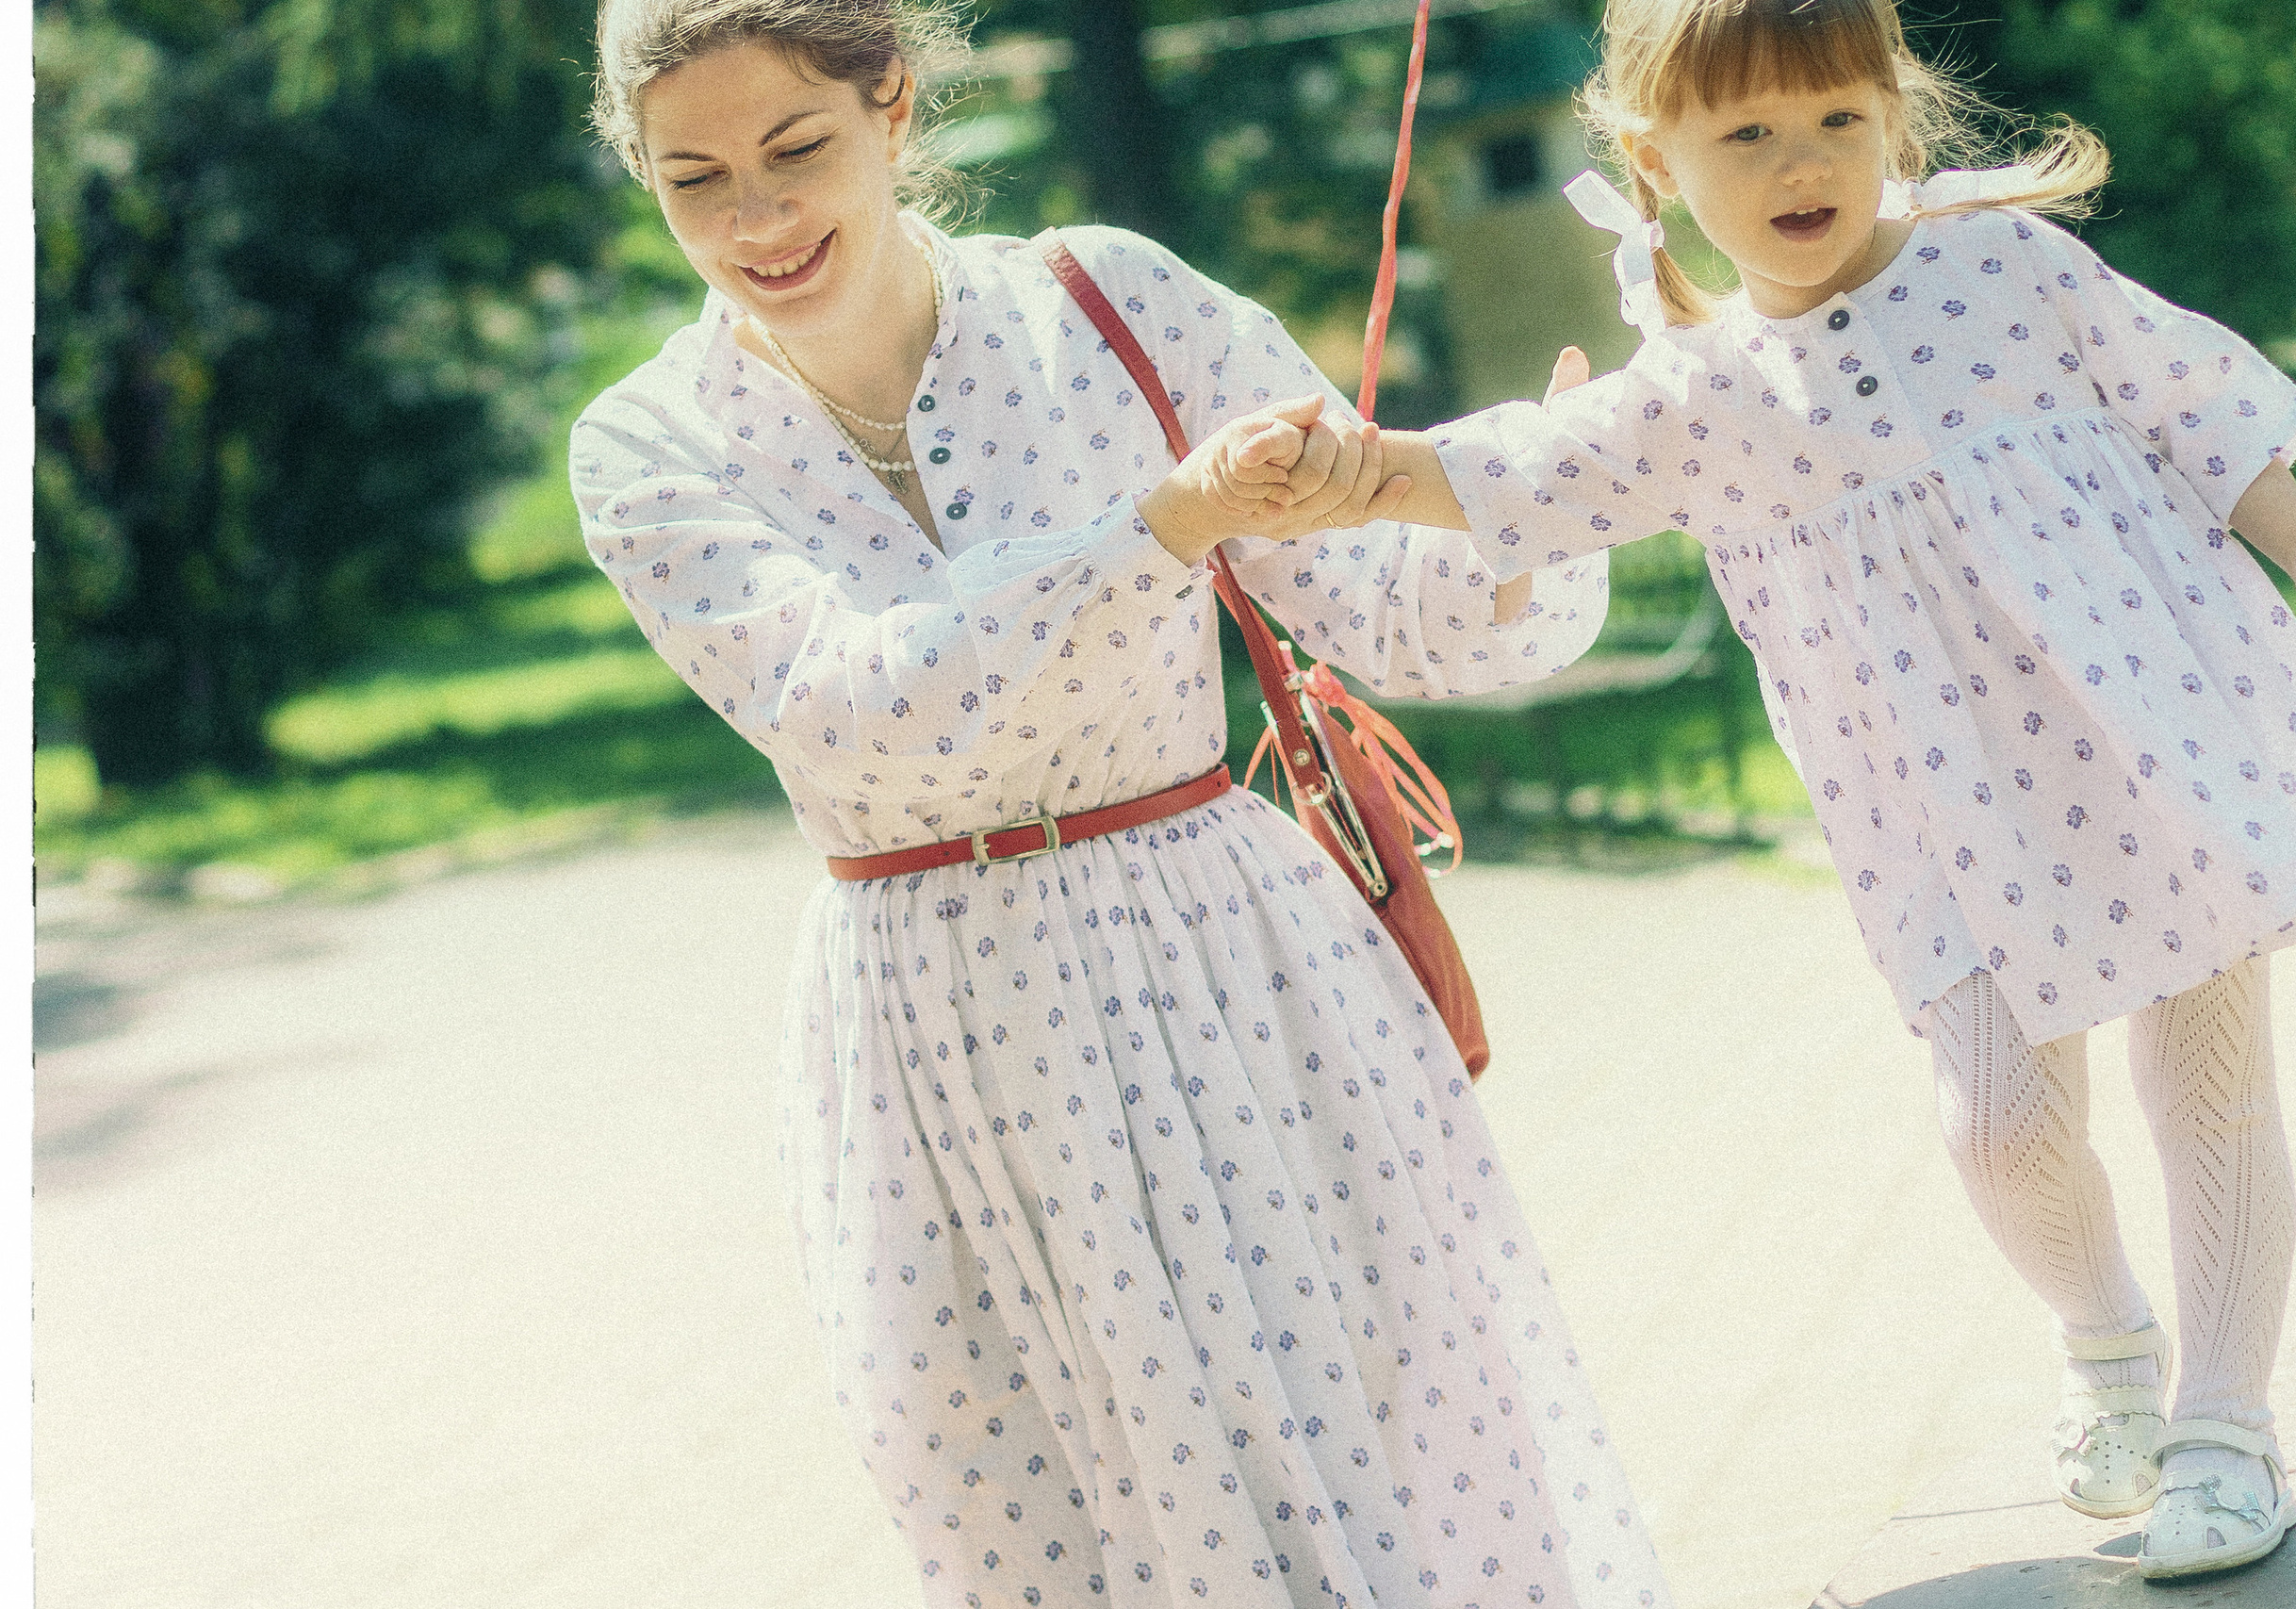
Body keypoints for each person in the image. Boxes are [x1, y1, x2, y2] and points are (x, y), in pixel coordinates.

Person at [1245, 0, 2296, 1581]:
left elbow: (2190, 403)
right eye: (1749, 133)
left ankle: (2229, 1421)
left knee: (2209, 1091)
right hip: (1937, 819)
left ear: (1893, 118)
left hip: (2149, 737)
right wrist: (1351, 470)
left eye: (1838, 118)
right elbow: (1517, 467)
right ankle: (2108, 1337)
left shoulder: (2004, 268)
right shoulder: (1700, 396)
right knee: (2000, 1122)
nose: (1804, 161)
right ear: (1656, 162)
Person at [570, 1, 1677, 1603]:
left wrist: (1533, 499)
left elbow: (1378, 606)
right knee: (1031, 1496)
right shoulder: (647, 444)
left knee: (1368, 1447)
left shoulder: (1114, 300)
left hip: (1228, 962)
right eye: (695, 178)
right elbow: (856, 718)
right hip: (936, 1026)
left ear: (890, 109)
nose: (756, 218)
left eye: (796, 149)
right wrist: (1149, 531)